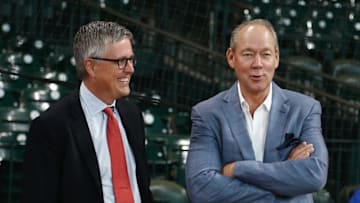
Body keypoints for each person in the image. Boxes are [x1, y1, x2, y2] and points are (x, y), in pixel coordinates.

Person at [185, 19, 328, 203]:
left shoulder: (305, 109)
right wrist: (280, 185)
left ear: (276, 58)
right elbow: (202, 187)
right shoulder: (207, 114)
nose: (258, 64)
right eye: (248, 54)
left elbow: (315, 175)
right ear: (231, 57)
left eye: (266, 54)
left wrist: (237, 169)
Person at [22, 21, 153, 203]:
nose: (130, 69)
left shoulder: (132, 115)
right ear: (91, 66)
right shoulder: (51, 126)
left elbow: (141, 186)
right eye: (121, 61)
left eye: (131, 60)